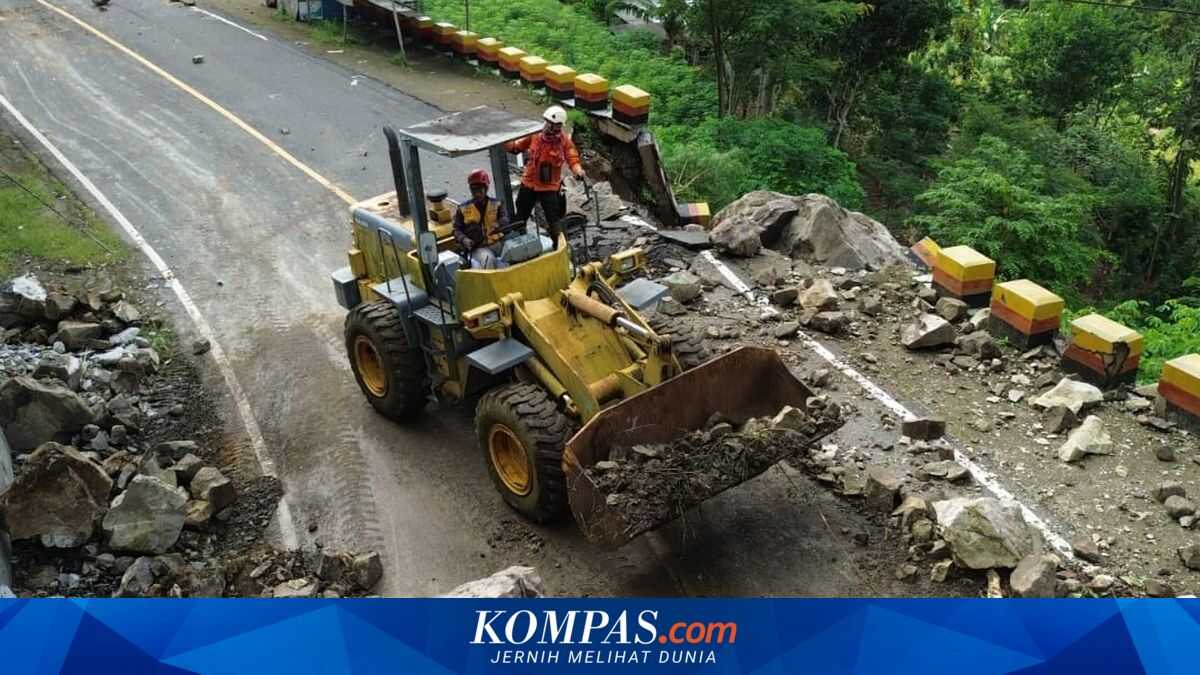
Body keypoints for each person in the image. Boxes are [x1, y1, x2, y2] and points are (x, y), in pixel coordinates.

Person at [504, 105, 586, 247]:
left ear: (559, 126)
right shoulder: (534, 135)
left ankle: (559, 247)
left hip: (549, 187)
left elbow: (572, 158)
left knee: (554, 220)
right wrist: (503, 140)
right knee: (520, 216)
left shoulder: (564, 142)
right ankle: (518, 245)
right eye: (547, 122)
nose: (548, 127)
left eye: (552, 124)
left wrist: (578, 171)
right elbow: (515, 148)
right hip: (529, 183)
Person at [453, 169, 509, 269]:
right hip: (479, 248)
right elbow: (456, 230)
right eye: (474, 190)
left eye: (480, 189)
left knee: (516, 253)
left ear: (486, 188)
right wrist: (464, 239)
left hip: (498, 243)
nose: (477, 193)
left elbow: (505, 219)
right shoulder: (463, 209)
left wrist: (499, 223)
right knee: (488, 260)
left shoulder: (497, 204)